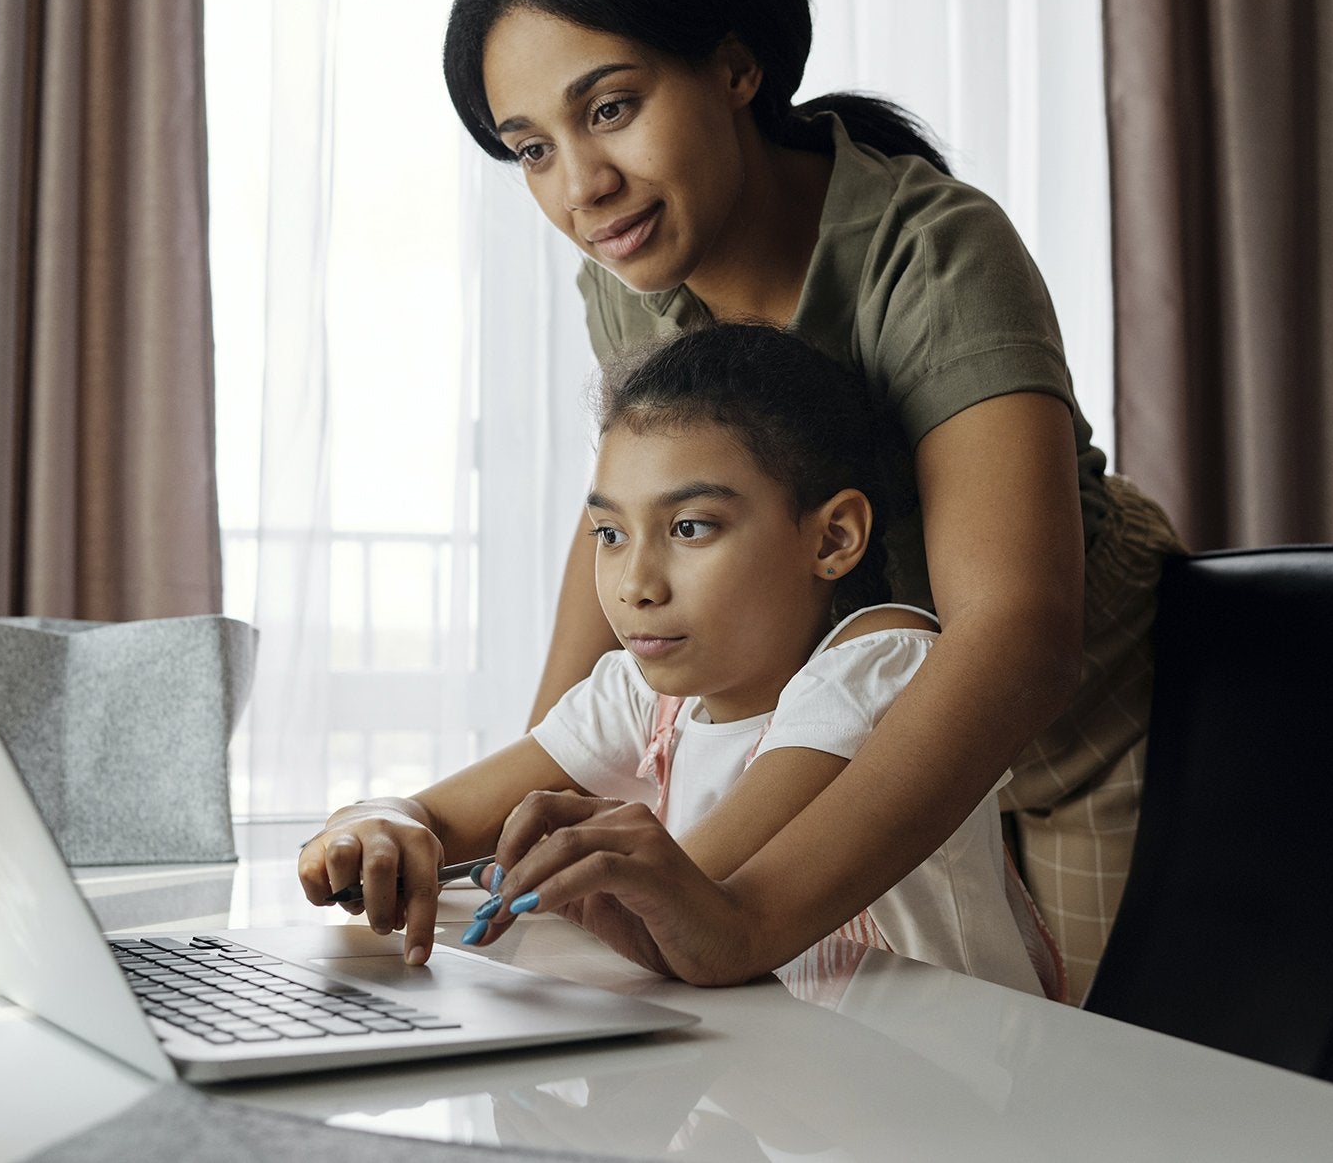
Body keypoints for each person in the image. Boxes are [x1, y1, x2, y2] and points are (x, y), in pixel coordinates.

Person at [436, 0, 1185, 999]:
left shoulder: (931, 251)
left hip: (1071, 720)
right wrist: (519, 817)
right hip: (841, 718)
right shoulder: (629, 272)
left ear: (736, 69)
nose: (581, 188)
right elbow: (627, 521)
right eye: (530, 148)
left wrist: (743, 919)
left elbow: (1017, 633)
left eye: (608, 110)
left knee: (1095, 1093)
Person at [299, 323, 1052, 998]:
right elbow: (438, 813)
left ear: (832, 538)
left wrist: (545, 870)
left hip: (936, 1094)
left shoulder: (883, 664)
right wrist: (378, 824)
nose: (634, 585)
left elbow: (689, 897)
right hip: (780, 1085)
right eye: (610, 533)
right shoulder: (646, 695)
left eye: (690, 527)